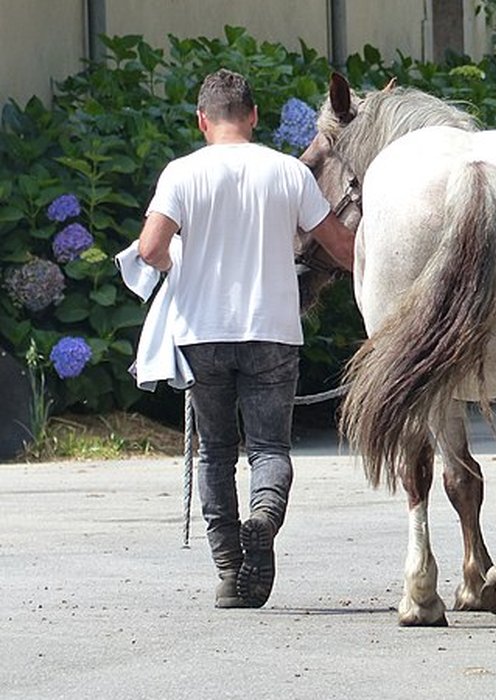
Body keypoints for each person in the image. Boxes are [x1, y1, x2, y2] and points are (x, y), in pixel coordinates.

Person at [138, 69, 354, 609]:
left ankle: (232, 573)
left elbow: (148, 249)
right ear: (254, 116)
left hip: (201, 331)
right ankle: (263, 517)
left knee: (214, 452)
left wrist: (174, 263)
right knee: (269, 448)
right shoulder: (287, 173)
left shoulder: (180, 174)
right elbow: (343, 249)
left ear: (202, 120)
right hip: (273, 331)